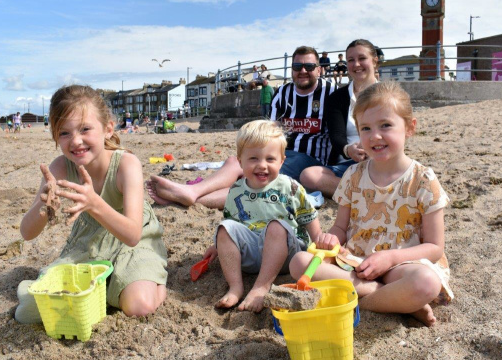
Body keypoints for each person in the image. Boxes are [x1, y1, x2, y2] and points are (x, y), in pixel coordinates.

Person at [289, 81, 453, 327]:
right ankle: (394, 300)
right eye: (365, 128)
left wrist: (389, 258)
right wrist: (331, 238)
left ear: (409, 127)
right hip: (355, 263)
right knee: (299, 262)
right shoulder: (353, 175)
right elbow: (341, 229)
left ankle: (363, 301)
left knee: (425, 283)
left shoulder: (423, 180)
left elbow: (434, 247)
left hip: (402, 264)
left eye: (385, 125)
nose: (375, 136)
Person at [15, 85, 168, 323]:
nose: (75, 141)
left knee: (139, 306)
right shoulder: (59, 168)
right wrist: (44, 208)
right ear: (55, 136)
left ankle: (151, 281)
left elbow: (133, 235)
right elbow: (26, 233)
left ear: (108, 129)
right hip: (89, 242)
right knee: (31, 312)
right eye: (64, 133)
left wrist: (94, 203)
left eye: (85, 129)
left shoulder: (126, 165)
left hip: (132, 242)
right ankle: (105, 289)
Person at [146, 45, 335, 209]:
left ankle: (191, 198)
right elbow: (271, 130)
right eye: (297, 66)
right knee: (234, 161)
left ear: (319, 70)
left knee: (250, 181)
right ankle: (192, 192)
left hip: (311, 159)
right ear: (292, 69)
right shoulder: (284, 92)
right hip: (282, 155)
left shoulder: (331, 92)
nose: (302, 70)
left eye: (309, 66)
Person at [202, 120, 322, 312]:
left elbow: (308, 216)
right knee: (224, 228)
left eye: (270, 159)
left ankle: (261, 287)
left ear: (282, 161)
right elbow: (233, 223)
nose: (262, 166)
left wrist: (319, 241)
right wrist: (217, 245)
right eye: (254, 159)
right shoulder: (236, 190)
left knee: (276, 226)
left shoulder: (289, 186)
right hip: (251, 256)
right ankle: (235, 287)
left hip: (286, 256)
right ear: (240, 161)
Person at [300, 39, 379, 197]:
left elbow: (398, 133)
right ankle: (363, 193)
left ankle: (359, 192)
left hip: (381, 159)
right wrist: (348, 150)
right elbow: (336, 135)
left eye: (362, 58)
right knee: (308, 175)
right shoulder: (337, 97)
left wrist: (374, 150)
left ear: (375, 61)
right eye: (351, 60)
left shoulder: (390, 95)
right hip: (348, 163)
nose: (356, 64)